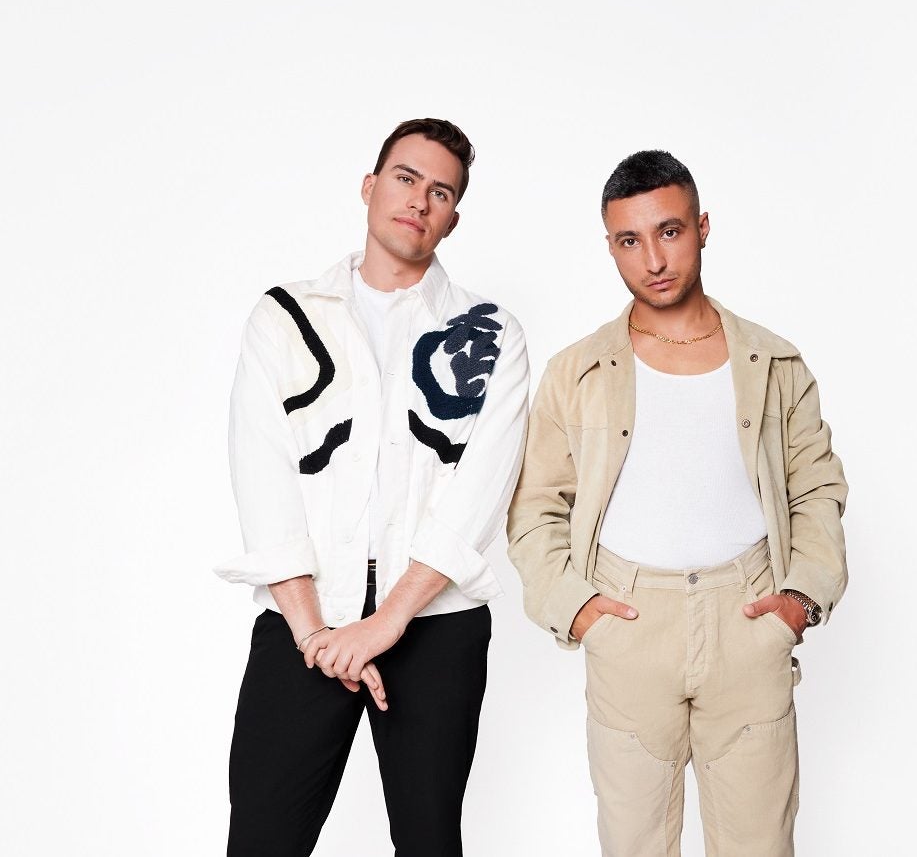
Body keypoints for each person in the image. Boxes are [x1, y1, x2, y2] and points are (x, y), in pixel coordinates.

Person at [506, 149, 847, 856]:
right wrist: (577, 609)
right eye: (629, 241)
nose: (654, 259)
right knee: (632, 843)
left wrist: (798, 600)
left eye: (670, 231)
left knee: (760, 846)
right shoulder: (576, 372)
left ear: (702, 227)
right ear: (610, 247)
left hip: (748, 617)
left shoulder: (776, 363)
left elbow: (817, 488)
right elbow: (535, 508)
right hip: (628, 622)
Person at [216, 118, 529, 857]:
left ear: (453, 217)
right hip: (305, 615)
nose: (419, 199)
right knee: (261, 839)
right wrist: (314, 634)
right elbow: (262, 475)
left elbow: (480, 493)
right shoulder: (286, 316)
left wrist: (387, 622)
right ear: (370, 186)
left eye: (440, 191)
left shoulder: (490, 332)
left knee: (428, 841)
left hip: (435, 623)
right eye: (405, 178)